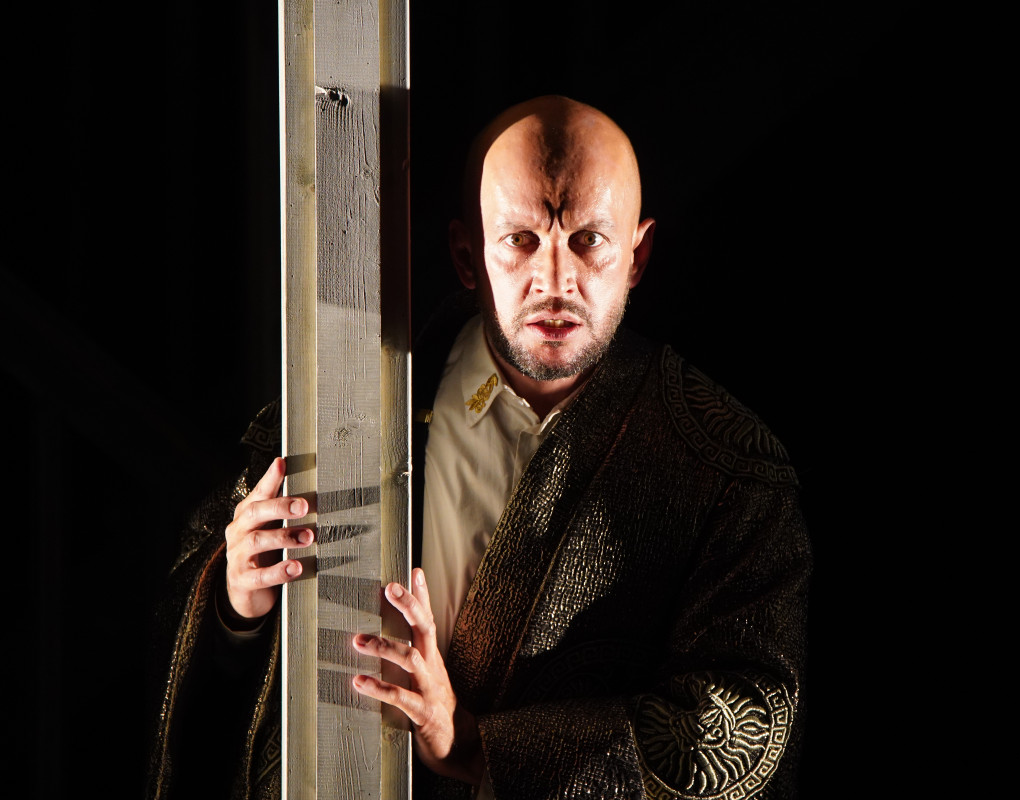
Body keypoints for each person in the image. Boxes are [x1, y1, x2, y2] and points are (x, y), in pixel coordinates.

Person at [147, 95, 811, 800]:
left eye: (589, 240)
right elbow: (172, 659)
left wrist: (473, 746)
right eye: (520, 240)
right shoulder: (335, 412)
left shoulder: (727, 467)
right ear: (467, 256)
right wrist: (234, 606)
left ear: (638, 255)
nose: (554, 281)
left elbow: (745, 726)